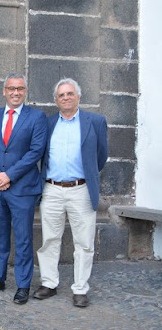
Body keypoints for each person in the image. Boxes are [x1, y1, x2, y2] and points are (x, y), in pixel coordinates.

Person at [33, 78, 108, 308]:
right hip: (52, 188)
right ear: (55, 100)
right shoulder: (48, 123)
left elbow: (101, 156)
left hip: (81, 189)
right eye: (61, 95)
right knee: (49, 239)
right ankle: (49, 283)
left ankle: (80, 289)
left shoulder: (95, 121)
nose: (65, 98)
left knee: (84, 242)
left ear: (78, 96)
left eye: (69, 93)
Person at [0, 73, 47, 305]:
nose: (15, 92)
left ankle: (23, 284)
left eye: (20, 89)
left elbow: (35, 152)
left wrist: (9, 175)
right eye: (11, 88)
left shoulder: (37, 117)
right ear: (4, 91)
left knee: (23, 238)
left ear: (25, 91)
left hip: (22, 189)